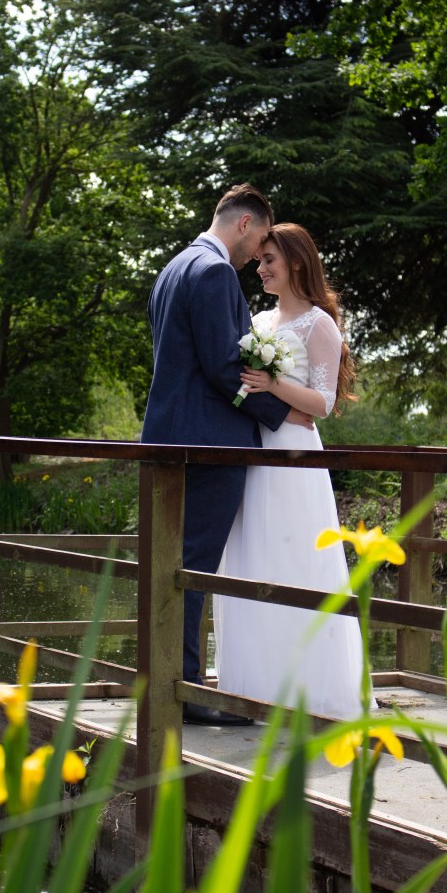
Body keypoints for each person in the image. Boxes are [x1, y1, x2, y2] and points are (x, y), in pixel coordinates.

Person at [141, 187, 313, 725]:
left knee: (170, 561)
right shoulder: (214, 271)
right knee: (193, 566)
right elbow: (223, 366)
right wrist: (282, 414)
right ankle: (187, 691)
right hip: (208, 444)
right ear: (244, 225)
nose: (256, 255)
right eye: (259, 241)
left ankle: (161, 680)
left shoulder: (173, 268)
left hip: (168, 437)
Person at [213, 222, 373, 719]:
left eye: (269, 261)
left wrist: (273, 385)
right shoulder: (260, 319)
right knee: (251, 557)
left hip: (295, 456)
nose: (260, 269)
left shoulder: (318, 324)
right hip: (255, 448)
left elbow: (323, 402)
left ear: (296, 263)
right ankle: (253, 688)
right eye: (260, 261)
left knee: (295, 559)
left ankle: (310, 692)